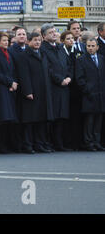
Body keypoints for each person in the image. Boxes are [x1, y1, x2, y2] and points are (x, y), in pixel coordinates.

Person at [15, 32, 54, 153]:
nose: (37, 42)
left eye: (39, 40)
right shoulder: (24, 55)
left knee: (41, 120)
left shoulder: (42, 54)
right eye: (35, 40)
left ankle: (40, 143)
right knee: (29, 121)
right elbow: (23, 75)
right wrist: (28, 91)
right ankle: (28, 144)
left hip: (43, 92)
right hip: (31, 93)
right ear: (28, 41)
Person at [40, 23, 73, 151]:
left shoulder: (60, 47)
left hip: (65, 86)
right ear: (44, 36)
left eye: (55, 31)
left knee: (62, 117)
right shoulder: (43, 49)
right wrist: (60, 80)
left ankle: (60, 143)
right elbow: (48, 69)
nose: (54, 34)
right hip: (53, 88)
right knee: (53, 117)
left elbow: (69, 64)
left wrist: (69, 77)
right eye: (50, 32)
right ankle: (51, 143)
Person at [0, 31, 18, 153]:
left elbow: (12, 70)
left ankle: (7, 144)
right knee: (1, 118)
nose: (7, 42)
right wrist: (9, 83)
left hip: (9, 88)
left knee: (9, 119)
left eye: (7, 40)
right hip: (1, 89)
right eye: (4, 40)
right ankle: (0, 145)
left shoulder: (8, 53)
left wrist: (13, 83)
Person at [75, 38, 105, 151]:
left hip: (101, 94)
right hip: (89, 95)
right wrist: (87, 90)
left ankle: (96, 141)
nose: (91, 48)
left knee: (98, 120)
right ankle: (88, 142)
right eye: (88, 46)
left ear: (97, 47)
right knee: (89, 120)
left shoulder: (102, 59)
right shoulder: (81, 60)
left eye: (93, 46)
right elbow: (80, 78)